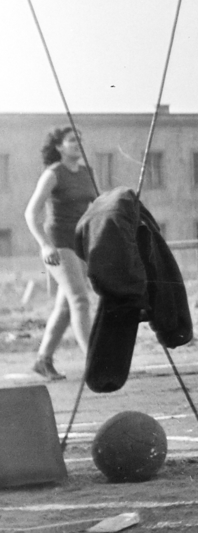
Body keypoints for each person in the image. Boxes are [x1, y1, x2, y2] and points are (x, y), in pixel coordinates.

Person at [23, 127, 97, 380]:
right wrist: (45, 245)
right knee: (80, 300)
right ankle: (93, 361)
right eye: (71, 140)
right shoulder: (53, 174)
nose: (78, 144)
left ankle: (43, 360)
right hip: (58, 244)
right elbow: (31, 213)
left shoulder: (88, 174)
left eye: (80, 139)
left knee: (66, 306)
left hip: (81, 244)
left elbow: (97, 209)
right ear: (59, 147)